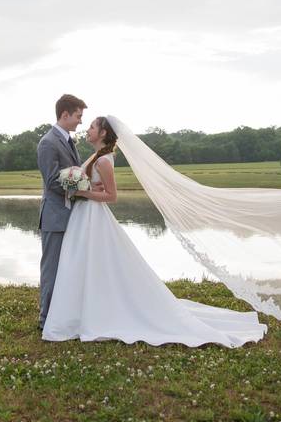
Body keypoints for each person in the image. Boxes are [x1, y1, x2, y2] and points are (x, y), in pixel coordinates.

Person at [41, 116, 268, 348]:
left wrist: (83, 193)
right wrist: (80, 188)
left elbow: (112, 196)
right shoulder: (97, 157)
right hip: (85, 217)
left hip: (93, 217)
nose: (87, 129)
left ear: (102, 133)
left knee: (95, 264)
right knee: (86, 264)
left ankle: (94, 312)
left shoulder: (104, 162)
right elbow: (88, 184)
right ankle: (81, 311)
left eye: (91, 127)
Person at [35, 94, 87, 331]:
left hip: (70, 215)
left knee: (68, 267)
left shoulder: (68, 141)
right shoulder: (48, 142)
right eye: (78, 116)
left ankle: (64, 315)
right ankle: (46, 319)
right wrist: (84, 187)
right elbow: (53, 182)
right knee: (52, 269)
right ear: (64, 114)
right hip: (55, 216)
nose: (80, 122)